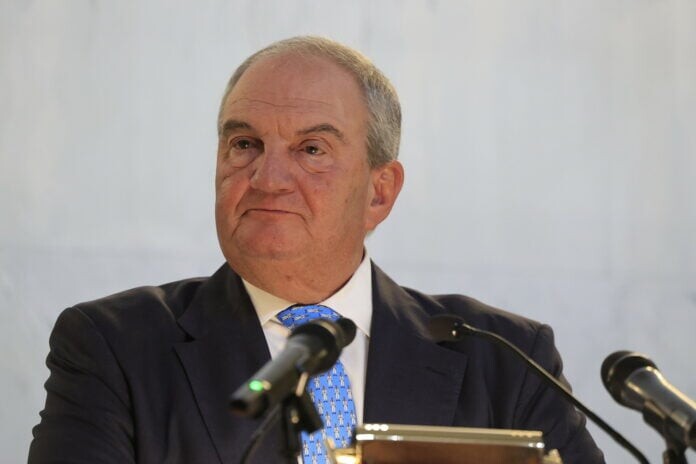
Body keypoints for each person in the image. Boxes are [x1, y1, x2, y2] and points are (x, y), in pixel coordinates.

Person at [29, 36, 604, 463]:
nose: (267, 178)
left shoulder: (505, 360)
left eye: (311, 149)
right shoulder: (115, 346)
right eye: (245, 143)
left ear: (379, 192)